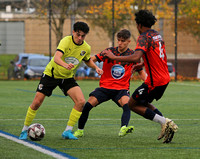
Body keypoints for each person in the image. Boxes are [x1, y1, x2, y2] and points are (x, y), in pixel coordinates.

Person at [102, 10, 178, 143]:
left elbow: (136, 56)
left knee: (131, 104)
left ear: (139, 24)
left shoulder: (144, 37)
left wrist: (114, 57)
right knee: (142, 102)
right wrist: (142, 64)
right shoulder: (157, 35)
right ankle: (166, 125)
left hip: (155, 81)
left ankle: (165, 122)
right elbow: (157, 56)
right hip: (164, 78)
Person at [19, 21, 103, 140]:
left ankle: (68, 131)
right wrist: (65, 65)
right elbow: (57, 57)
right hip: (51, 74)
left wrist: (96, 67)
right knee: (37, 102)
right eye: (78, 35)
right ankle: (24, 130)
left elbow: (87, 60)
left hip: (67, 77)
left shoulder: (86, 47)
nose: (80, 38)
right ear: (73, 32)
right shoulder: (65, 41)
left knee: (80, 101)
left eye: (83, 36)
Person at [74, 29, 146, 138]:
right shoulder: (108, 52)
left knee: (127, 105)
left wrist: (149, 84)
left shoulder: (133, 56)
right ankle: (80, 130)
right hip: (105, 87)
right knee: (87, 106)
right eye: (119, 40)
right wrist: (95, 67)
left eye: (123, 41)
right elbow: (90, 60)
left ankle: (123, 128)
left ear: (129, 41)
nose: (120, 43)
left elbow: (142, 73)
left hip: (121, 89)